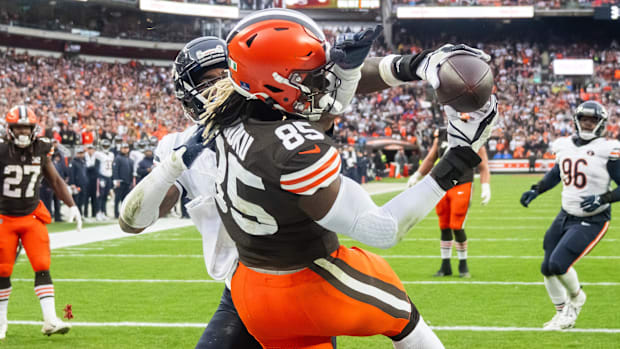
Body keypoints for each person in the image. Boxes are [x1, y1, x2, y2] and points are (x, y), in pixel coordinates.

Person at [185, 9, 496, 348]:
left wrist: (420, 64)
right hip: (305, 283)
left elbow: (332, 86)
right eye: (309, 75)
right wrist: (459, 157)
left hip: (249, 291)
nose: (320, 80)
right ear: (275, 82)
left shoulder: (232, 109)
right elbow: (382, 229)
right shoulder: (294, 150)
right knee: (407, 323)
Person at [118, 36, 262, 349]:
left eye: (227, 74)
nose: (222, 86)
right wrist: (175, 163)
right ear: (188, 94)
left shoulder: (272, 126)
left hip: (297, 277)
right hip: (240, 287)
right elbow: (132, 223)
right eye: (209, 80)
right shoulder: (179, 146)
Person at [520, 101, 619, 330]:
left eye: (592, 120)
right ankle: (561, 312)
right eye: (584, 118)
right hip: (566, 214)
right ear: (576, 119)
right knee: (547, 267)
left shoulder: (608, 148)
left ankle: (576, 300)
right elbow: (557, 173)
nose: (587, 123)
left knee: (559, 263)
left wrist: (602, 199)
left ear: (601, 124)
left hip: (593, 218)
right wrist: (537, 189)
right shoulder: (563, 145)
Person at [0, 106, 82, 339]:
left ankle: (50, 320)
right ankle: (1, 321)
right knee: (2, 270)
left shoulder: (40, 149)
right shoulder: (2, 150)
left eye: (27, 127)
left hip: (31, 216)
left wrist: (72, 205)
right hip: (4, 217)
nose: (23, 131)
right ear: (10, 129)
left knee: (42, 264)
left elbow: (55, 181)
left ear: (34, 128)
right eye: (19, 127)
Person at [407, 125, 492, 278]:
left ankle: (463, 264)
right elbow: (431, 157)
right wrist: (417, 175)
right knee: (444, 225)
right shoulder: (441, 133)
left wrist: (486, 186)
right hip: (441, 184)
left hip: (463, 182)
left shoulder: (473, 133)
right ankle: (445, 265)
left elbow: (483, 165)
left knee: (457, 225)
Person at [95, 139, 114, 221]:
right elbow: (96, 167)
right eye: (104, 146)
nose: (106, 147)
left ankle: (103, 212)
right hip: (102, 176)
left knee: (106, 196)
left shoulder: (111, 154)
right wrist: (99, 176)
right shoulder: (98, 154)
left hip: (109, 177)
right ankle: (98, 213)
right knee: (100, 195)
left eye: (107, 146)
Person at [113, 143, 133, 218]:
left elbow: (131, 171)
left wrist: (131, 181)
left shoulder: (129, 159)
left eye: (126, 148)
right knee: (117, 198)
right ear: (121, 149)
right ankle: (116, 213)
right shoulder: (118, 158)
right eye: (123, 148)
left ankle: (123, 212)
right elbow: (115, 170)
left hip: (127, 182)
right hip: (120, 181)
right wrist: (116, 180)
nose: (125, 149)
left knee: (125, 199)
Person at [69, 146, 88, 215]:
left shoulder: (83, 162)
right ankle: (77, 214)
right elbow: (71, 174)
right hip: (77, 184)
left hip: (83, 183)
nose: (80, 155)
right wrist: (72, 183)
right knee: (76, 200)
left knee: (82, 200)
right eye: (79, 153)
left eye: (82, 153)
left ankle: (80, 214)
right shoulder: (73, 162)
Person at [84, 144, 99, 218]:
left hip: (94, 180)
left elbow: (97, 169)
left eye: (91, 149)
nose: (90, 150)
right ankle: (85, 213)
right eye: (89, 149)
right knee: (86, 198)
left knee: (94, 198)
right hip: (86, 180)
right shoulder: (84, 157)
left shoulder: (97, 158)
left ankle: (94, 213)